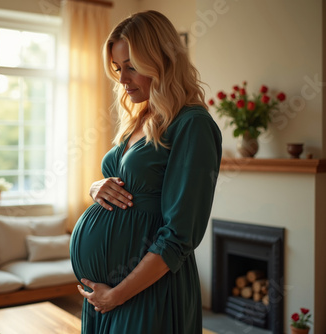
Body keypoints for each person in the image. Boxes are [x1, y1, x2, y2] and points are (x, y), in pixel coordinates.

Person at [69, 10, 222, 334]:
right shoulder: (142, 118)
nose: (122, 80)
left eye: (132, 67)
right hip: (105, 295)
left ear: (162, 60)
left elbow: (179, 236)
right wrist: (96, 188)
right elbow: (125, 183)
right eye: (118, 68)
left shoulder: (192, 125)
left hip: (147, 292)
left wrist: (116, 295)